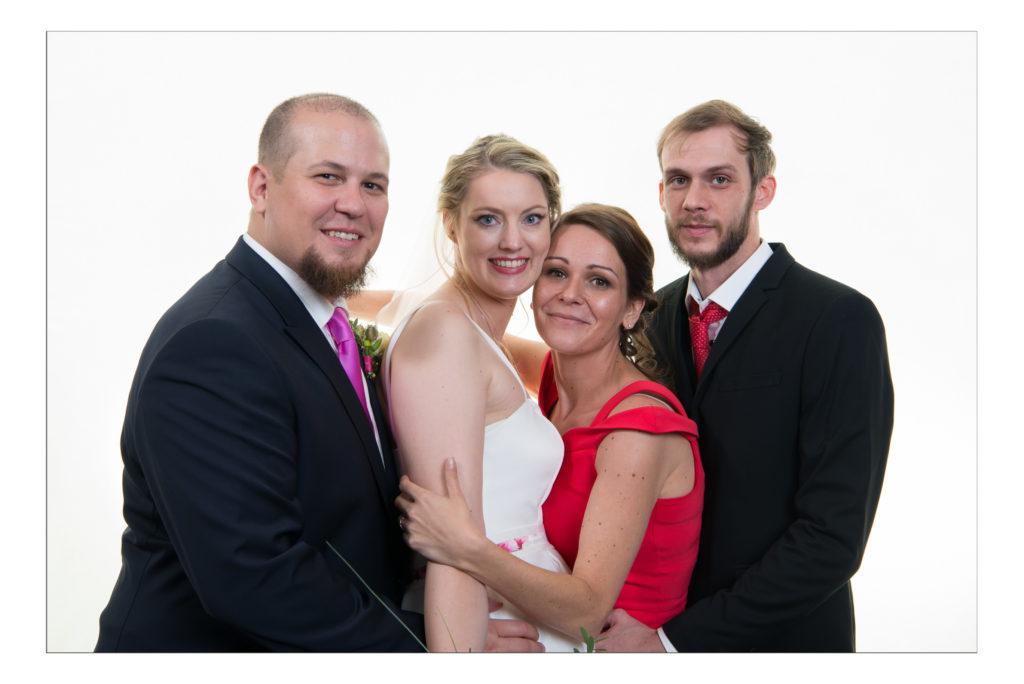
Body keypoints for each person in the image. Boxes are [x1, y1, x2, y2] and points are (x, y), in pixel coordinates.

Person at [94, 94, 539, 652]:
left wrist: (454, 620)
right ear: (261, 188)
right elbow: (255, 578)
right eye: (328, 177)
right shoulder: (214, 343)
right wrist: (433, 650)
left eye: (372, 185)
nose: (353, 204)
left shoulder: (324, 321)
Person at [596, 100, 894, 652]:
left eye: (720, 179)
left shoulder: (837, 320)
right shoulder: (648, 317)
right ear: (660, 192)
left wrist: (674, 642)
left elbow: (831, 538)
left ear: (763, 191)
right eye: (678, 179)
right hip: (644, 633)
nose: (694, 199)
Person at [395, 204, 703, 646]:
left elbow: (587, 612)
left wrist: (463, 545)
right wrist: (343, 309)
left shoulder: (638, 432)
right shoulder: (554, 376)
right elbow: (457, 329)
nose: (570, 294)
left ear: (632, 309)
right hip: (544, 631)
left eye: (599, 281)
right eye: (556, 272)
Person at [382, 134, 578, 652]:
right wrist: (462, 654)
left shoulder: (481, 335)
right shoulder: (446, 332)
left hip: (524, 609)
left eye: (532, 218)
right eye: (488, 219)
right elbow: (450, 543)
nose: (513, 241)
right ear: (450, 224)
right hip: (492, 625)